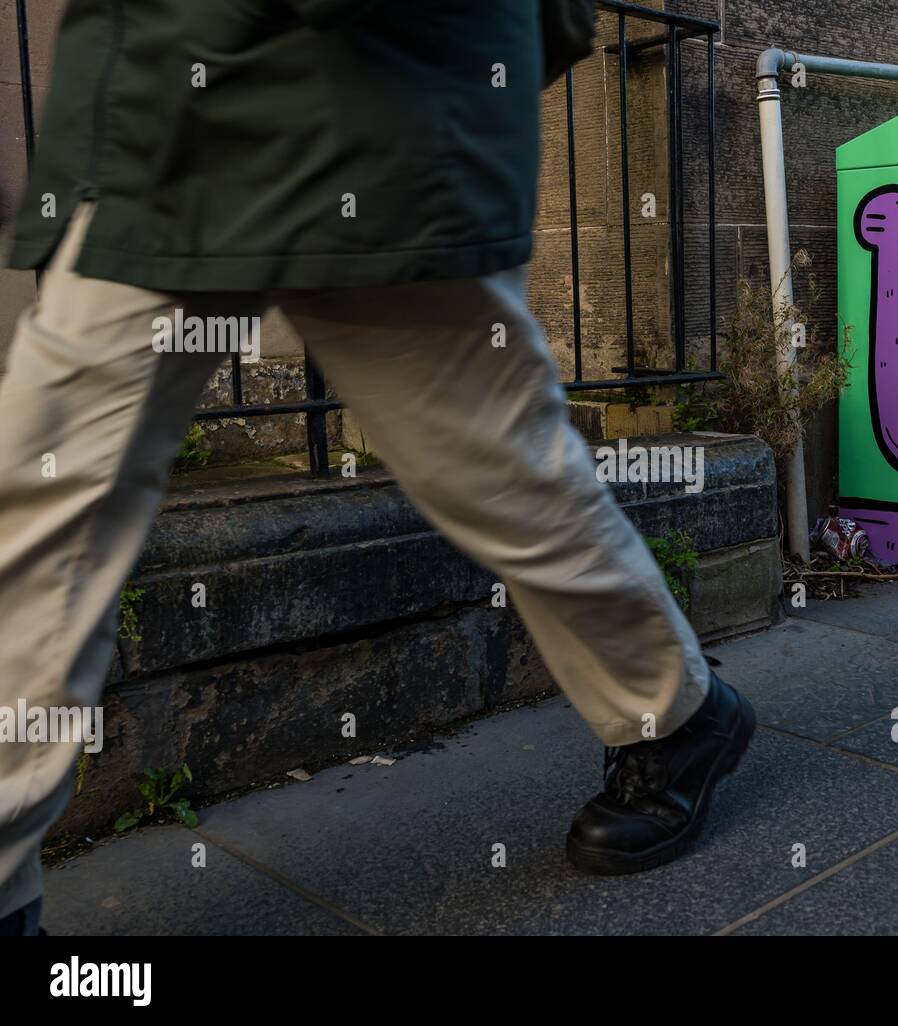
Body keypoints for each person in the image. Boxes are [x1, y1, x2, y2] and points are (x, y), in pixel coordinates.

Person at [0, 0, 753, 935]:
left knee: (495, 471)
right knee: (46, 481)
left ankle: (676, 714)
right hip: (169, 103)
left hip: (380, 101)